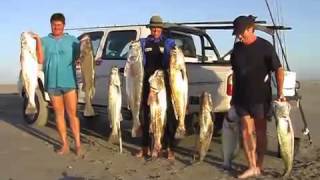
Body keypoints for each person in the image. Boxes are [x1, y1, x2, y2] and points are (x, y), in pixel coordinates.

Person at [230, 15, 285, 178]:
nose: (239, 36)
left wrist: (281, 93)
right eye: (237, 33)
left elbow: (279, 69)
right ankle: (252, 166)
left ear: (250, 29)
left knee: (260, 132)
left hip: (260, 98)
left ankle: (259, 164)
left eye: (241, 32)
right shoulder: (237, 49)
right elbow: (235, 73)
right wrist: (233, 95)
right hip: (241, 97)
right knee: (246, 131)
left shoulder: (265, 46)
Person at [31, 13, 81, 156]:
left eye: (59, 25)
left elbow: (80, 57)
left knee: (72, 114)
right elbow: (40, 60)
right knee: (59, 114)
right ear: (51, 25)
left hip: (69, 82)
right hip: (52, 83)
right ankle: (64, 144)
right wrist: (37, 42)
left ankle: (77, 144)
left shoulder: (73, 41)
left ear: (64, 25)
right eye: (54, 25)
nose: (56, 27)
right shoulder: (44, 40)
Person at [134, 15, 177, 160]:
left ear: (162, 29)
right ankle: (145, 146)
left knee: (167, 115)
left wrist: (173, 50)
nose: (156, 30)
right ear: (150, 28)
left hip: (164, 83)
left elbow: (175, 61)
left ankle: (168, 147)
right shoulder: (144, 42)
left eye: (158, 28)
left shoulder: (168, 42)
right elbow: (135, 59)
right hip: (148, 83)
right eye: (153, 28)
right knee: (146, 115)